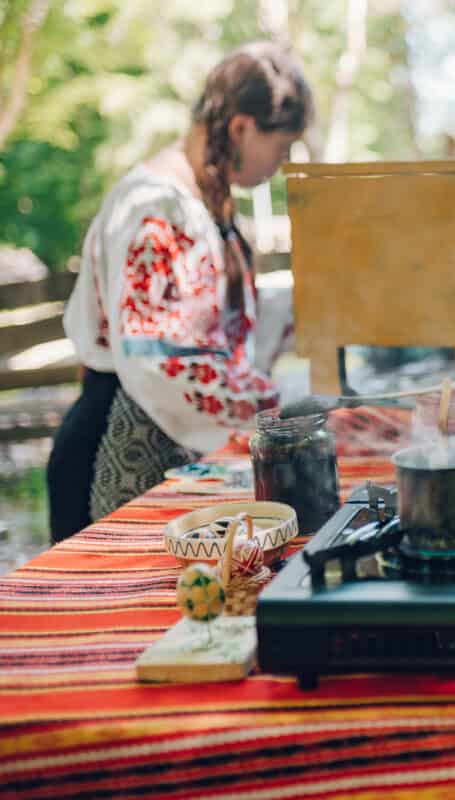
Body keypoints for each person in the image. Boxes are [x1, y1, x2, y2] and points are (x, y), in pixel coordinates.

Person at [47, 42, 314, 542]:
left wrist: (324, 307)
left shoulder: (203, 200)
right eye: (281, 147)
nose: (281, 163)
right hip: (120, 447)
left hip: (170, 441)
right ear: (240, 127)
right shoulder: (153, 207)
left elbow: (217, 321)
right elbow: (164, 362)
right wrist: (284, 403)